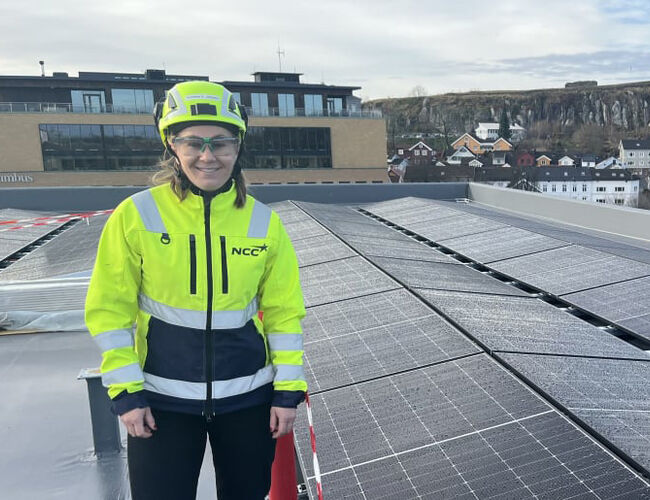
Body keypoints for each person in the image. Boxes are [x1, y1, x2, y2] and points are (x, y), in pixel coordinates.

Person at [85, 81, 306, 500]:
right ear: (172, 144)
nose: (208, 156)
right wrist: (126, 391)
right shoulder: (136, 215)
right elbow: (108, 310)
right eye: (193, 142)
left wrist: (287, 391)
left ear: (238, 145)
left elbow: (284, 312)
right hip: (159, 404)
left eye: (221, 142)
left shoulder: (264, 223)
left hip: (248, 401)